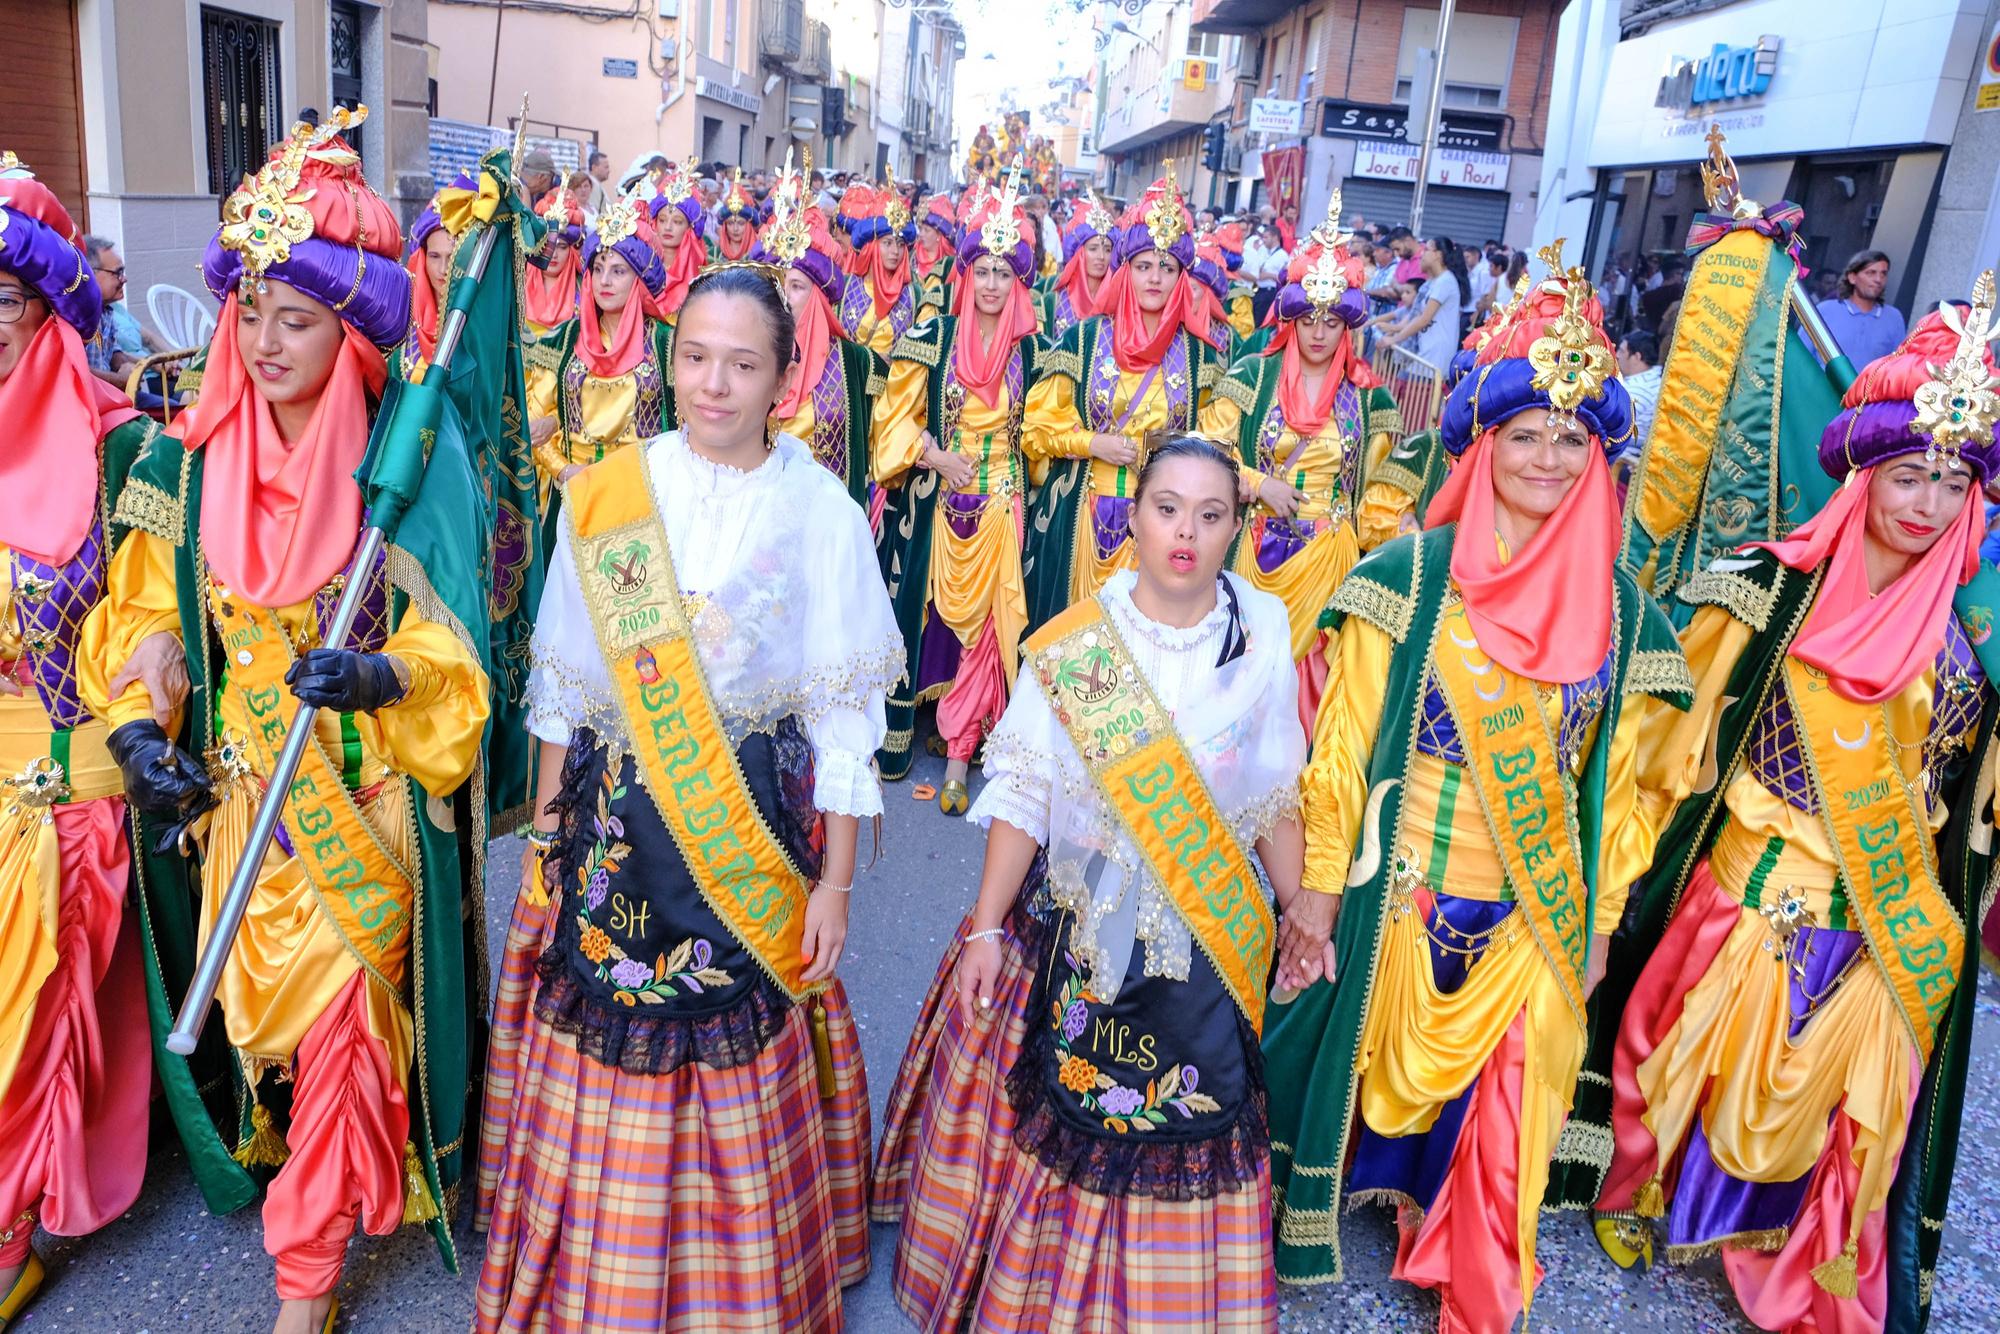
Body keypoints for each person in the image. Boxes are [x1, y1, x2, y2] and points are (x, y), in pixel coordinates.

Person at [81, 110, 491, 1334]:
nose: (263, 342)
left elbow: (458, 662)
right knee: (274, 1044)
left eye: (296, 318)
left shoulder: (411, 473)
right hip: (238, 813)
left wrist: (382, 680)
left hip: (359, 811)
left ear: (353, 329)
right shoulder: (183, 462)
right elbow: (144, 624)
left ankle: (303, 1275)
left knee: (351, 1034)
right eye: (248, 309)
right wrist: (141, 724)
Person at [1262, 251, 1691, 1333]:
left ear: (1599, 456)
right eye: (1523, 432)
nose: (1545, 455)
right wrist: (1313, 892)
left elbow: (1630, 790)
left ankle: (1473, 1270)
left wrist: (1596, 915)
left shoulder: (1627, 617)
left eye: (1569, 436)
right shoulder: (1407, 574)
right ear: (1483, 443)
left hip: (1531, 911)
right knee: (1331, 1069)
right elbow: (1341, 743)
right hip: (1391, 886)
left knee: (1512, 1107)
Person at [474, 266, 902, 1332]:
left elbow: (845, 724)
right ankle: (594, 1265)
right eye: (695, 356)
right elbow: (564, 684)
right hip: (614, 823)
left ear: (784, 378)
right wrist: (543, 837)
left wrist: (835, 884)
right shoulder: (616, 488)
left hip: (743, 826)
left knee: (730, 1026)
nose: (713, 383)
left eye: (743, 363)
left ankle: (733, 1285)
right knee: (611, 1016)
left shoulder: (820, 514)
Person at [1590, 287, 2000, 1332]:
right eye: (1906, 473)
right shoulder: (1764, 592)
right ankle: (1641, 1188)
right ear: (1862, 476)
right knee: (1683, 1049)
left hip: (1878, 905)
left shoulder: (1975, 635)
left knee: (1834, 1104)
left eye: (1951, 481)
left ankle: (1800, 1245)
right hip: (1751, 879)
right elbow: (1659, 745)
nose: (1925, 501)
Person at [874, 433, 1308, 1332]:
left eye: (1212, 513)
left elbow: (1273, 795)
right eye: (1167, 508)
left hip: (1202, 929)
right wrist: (987, 929)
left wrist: (1303, 911)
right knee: (1070, 1108)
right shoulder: (1078, 645)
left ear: (1236, 527)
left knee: (1188, 1114)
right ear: (1133, 517)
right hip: (1080, 916)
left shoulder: (1264, 637)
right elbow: (1026, 793)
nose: (1186, 530)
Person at [0, 157, 157, 1331]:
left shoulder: (122, 457)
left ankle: (10, 1223)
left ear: (48, 307)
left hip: (68, 787)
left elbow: (154, 631)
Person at [871, 176, 1044, 801]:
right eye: (983, 270)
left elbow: (1047, 436)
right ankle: (942, 729)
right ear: (966, 273)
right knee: (941, 620)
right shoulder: (934, 337)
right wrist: (936, 456)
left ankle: (961, 755)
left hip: (1003, 507)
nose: (993, 283)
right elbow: (893, 422)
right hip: (945, 505)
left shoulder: (1035, 353)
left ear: (1017, 281)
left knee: (993, 635)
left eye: (1004, 271)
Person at [1199, 219, 1408, 724]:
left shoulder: (1369, 397)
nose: (1318, 333)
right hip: (1254, 551)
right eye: (1309, 318)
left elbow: (1379, 491)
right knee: (1240, 675)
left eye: (1331, 322)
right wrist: (1256, 482)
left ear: (1347, 326)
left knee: (1309, 687)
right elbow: (1206, 449)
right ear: (1292, 318)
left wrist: (1406, 536)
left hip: (1327, 559)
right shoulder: (1254, 373)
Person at [1021, 171, 1224, 625]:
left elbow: (1214, 446)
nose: (1155, 278)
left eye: (1167, 267)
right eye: (1143, 266)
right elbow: (1036, 427)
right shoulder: (1085, 339)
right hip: (1083, 518)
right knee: (1076, 646)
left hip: (1163, 532)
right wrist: (1092, 444)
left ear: (1181, 276)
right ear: (1125, 269)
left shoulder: (1199, 358)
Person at [523, 196, 677, 520]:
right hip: (575, 495)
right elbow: (534, 424)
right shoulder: (563, 339)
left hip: (644, 501)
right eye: (599, 268)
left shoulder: (667, 344)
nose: (605, 281)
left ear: (638, 279)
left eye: (619, 271)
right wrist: (562, 470)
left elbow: (685, 430)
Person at [755, 171, 887, 509]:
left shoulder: (859, 365)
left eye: (796, 286)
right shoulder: (743, 356)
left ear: (817, 295)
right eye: (777, 281)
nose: (783, 295)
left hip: (825, 520)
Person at [836, 182, 920, 358]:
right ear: (872, 247)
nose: (895, 252)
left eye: (900, 244)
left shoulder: (915, 296)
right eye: (887, 243)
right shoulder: (844, 287)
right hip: (853, 384)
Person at [1380, 235, 1465, 371]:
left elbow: (1424, 318)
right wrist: (1395, 331)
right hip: (1423, 351)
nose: (1422, 255)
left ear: (1438, 255)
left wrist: (1395, 339)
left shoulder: (1446, 281)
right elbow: (1415, 314)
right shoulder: (1432, 282)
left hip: (1434, 355)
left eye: (1426, 250)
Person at [641, 157, 710, 322]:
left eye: (678, 222)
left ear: (689, 228)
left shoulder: (701, 277)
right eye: (662, 220)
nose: (668, 227)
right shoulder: (641, 266)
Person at [1038, 194, 1114, 340]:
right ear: (1079, 253)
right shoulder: (1053, 302)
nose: (1101, 256)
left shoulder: (1117, 302)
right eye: (1093, 249)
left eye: (1107, 249)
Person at [1816, 249, 1908, 368]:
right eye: (1871, 273)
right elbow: (1802, 357)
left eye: (1883, 274)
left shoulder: (1894, 317)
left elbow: (1897, 365)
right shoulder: (1825, 311)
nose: (1878, 279)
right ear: (1852, 278)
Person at [522, 190, 585, 340]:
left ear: (572, 251)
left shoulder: (585, 288)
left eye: (561, 247)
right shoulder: (518, 279)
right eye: (546, 245)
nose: (553, 254)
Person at [1614, 330, 1661, 459]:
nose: (1617, 355)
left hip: (1624, 455)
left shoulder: (1640, 388)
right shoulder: (1652, 378)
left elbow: (1611, 423)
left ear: (1637, 357)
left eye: (1622, 351)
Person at [911, 193, 959, 321]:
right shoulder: (911, 258)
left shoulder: (950, 265)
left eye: (926, 230)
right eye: (920, 229)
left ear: (939, 235)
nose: (920, 234)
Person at [707, 171, 758, 263]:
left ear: (749, 225)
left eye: (741, 223)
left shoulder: (759, 256)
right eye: (730, 223)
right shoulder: (713, 254)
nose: (735, 229)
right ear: (724, 226)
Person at [584, 149, 612, 216]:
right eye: (606, 167)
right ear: (594, 167)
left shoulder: (596, 184)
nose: (609, 171)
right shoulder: (592, 185)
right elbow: (594, 213)